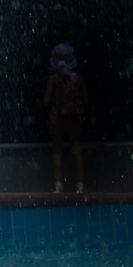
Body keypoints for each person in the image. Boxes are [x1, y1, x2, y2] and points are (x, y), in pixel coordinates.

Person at [46, 42, 89, 195]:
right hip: (74, 118)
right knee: (76, 148)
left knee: (57, 150)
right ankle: (80, 185)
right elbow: (85, 101)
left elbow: (46, 101)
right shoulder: (79, 80)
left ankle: (58, 185)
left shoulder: (54, 79)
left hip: (57, 117)